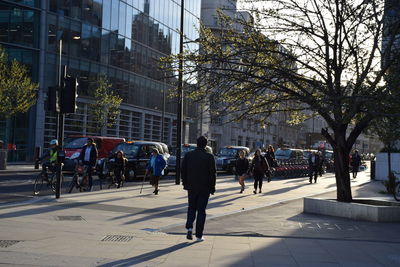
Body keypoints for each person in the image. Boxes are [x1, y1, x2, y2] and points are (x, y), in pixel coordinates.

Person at [182, 136, 216, 241]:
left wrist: (185, 183)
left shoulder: (189, 155)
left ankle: (189, 227)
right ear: (206, 144)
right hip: (204, 187)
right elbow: (212, 174)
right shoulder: (209, 157)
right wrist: (212, 187)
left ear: (197, 143)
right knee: (201, 210)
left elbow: (183, 170)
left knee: (191, 207)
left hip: (191, 186)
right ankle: (199, 235)